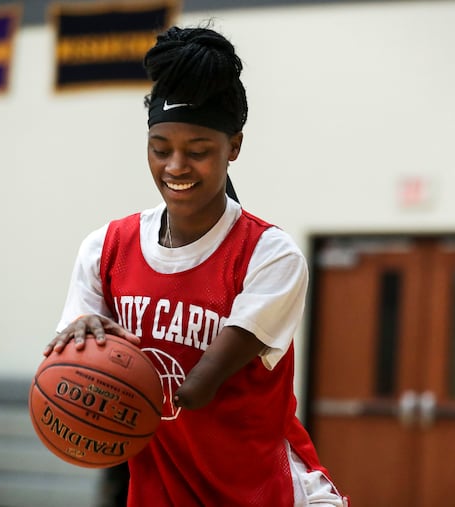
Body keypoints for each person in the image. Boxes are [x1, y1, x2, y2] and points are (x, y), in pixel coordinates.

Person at [45, 25, 348, 507]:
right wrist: (83, 344)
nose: (176, 166)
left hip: (268, 493)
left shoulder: (268, 254)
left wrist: (114, 382)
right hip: (161, 493)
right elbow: (76, 352)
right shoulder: (105, 248)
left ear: (234, 147)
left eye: (199, 151)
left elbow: (198, 386)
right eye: (160, 149)